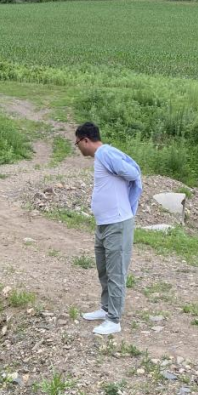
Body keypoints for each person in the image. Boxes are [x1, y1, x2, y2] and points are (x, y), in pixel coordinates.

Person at [74, 122, 142, 336]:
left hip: (117, 223)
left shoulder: (105, 153)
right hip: (104, 224)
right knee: (104, 269)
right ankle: (106, 308)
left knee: (116, 271)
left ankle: (114, 319)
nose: (78, 148)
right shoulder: (101, 157)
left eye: (77, 143)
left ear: (86, 140)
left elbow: (132, 172)